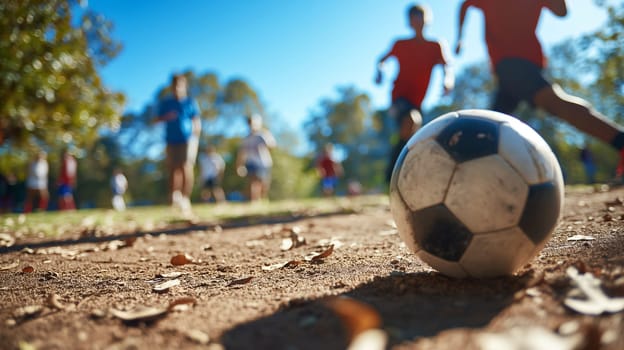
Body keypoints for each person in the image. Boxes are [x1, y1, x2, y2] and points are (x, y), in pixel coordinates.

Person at [455, 0, 624, 182]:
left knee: (552, 102)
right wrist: (460, 36)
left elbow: (561, 11)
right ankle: (478, 177)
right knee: (490, 124)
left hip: (518, 63)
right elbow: (465, 5)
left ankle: (621, 141)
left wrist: (460, 37)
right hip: (507, 70)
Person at [375, 4, 454, 182]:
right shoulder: (400, 44)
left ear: (428, 19)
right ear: (409, 21)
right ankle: (392, 175)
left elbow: (447, 66)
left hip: (417, 100)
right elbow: (382, 60)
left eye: (421, 16)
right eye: (414, 16)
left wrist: (448, 81)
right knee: (411, 121)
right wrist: (379, 71)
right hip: (399, 97)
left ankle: (398, 173)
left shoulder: (435, 46)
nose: (418, 19)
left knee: (413, 134)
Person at [154, 74, 201, 213]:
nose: (177, 88)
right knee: (173, 169)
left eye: (179, 85)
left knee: (186, 166)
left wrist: (195, 137)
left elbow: (196, 121)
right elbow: (156, 119)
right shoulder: (166, 103)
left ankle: (185, 198)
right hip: (171, 140)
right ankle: (174, 197)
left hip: (187, 139)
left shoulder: (190, 102)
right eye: (174, 85)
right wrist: (166, 117)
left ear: (184, 86)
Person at [236, 114, 276, 201]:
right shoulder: (246, 138)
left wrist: (266, 137)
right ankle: (254, 200)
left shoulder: (263, 134)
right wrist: (240, 165)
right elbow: (242, 153)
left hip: (264, 162)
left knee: (264, 183)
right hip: (251, 162)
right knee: (253, 181)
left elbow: (272, 145)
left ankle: (262, 198)